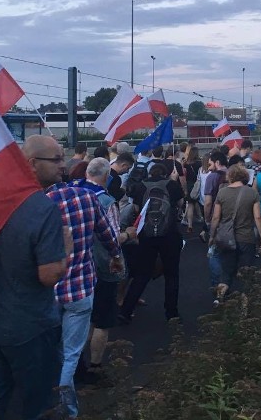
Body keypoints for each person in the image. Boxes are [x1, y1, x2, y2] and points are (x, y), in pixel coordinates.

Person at [0, 135, 68, 420]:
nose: (63, 165)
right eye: (56, 159)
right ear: (32, 164)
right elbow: (48, 275)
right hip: (31, 325)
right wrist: (65, 252)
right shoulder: (43, 209)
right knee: (36, 405)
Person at [46, 158, 122, 418]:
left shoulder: (39, 205)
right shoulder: (86, 199)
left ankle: (47, 399)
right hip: (80, 287)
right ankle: (67, 408)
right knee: (72, 352)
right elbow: (109, 238)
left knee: (51, 347)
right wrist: (116, 257)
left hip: (49, 289)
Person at [78, 159, 133, 380]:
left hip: (78, 266)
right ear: (107, 175)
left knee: (82, 318)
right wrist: (129, 234)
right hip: (102, 267)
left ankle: (76, 364)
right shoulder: (106, 201)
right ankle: (95, 365)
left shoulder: (73, 192)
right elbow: (112, 238)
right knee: (102, 319)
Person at [119, 162, 184, 323]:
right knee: (171, 275)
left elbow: (135, 208)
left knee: (142, 274)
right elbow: (181, 203)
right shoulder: (172, 185)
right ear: (166, 173)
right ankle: (172, 313)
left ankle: (126, 310)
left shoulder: (140, 186)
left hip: (146, 235)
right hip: (169, 234)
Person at [207, 164, 261, 304]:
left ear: (230, 176)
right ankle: (244, 306)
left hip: (227, 239)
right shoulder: (252, 193)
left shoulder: (222, 193)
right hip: (246, 238)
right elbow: (258, 217)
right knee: (246, 274)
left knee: (226, 273)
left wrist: (211, 235)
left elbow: (216, 217)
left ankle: (219, 299)